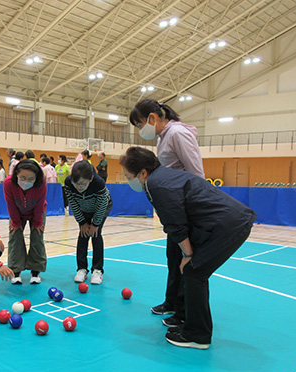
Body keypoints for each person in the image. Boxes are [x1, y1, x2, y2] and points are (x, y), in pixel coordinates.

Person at [119, 147, 256, 349]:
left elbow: (176, 224)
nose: (127, 180)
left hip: (228, 226)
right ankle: (188, 322)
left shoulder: (157, 185)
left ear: (143, 173)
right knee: (192, 272)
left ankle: (198, 335)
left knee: (194, 272)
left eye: (128, 176)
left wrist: (188, 254)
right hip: (222, 223)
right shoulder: (162, 176)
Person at [130, 99, 205, 328]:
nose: (141, 130)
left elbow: (196, 173)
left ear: (152, 118)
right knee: (173, 259)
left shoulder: (178, 134)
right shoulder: (164, 136)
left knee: (185, 260)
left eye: (140, 124)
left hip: (186, 208)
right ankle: (171, 302)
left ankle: (183, 312)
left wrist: (190, 209)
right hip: (174, 209)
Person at [64, 161, 112, 285]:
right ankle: (81, 269)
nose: (79, 187)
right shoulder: (68, 183)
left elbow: (102, 204)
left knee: (95, 234)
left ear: (90, 179)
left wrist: (95, 224)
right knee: (83, 234)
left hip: (100, 207)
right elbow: (73, 204)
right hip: (82, 208)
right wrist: (82, 222)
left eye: (83, 184)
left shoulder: (99, 183)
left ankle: (97, 270)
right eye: (76, 183)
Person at [3, 160, 47, 285]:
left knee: (37, 238)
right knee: (15, 237)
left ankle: (35, 271)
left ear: (36, 178)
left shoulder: (41, 183)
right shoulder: (8, 183)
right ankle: (16, 271)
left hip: (36, 213)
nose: (26, 182)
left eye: (30, 179)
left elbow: (40, 203)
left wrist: (38, 222)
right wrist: (16, 222)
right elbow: (10, 204)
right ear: (16, 174)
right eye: (22, 178)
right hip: (17, 212)